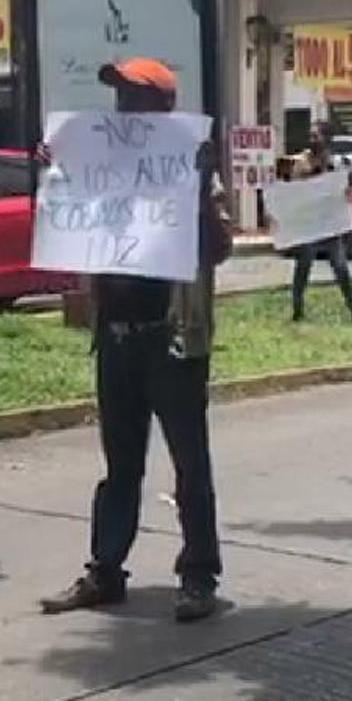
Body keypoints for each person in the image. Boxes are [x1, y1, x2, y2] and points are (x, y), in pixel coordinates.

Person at [39, 57, 234, 623]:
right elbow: (73, 226)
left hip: (171, 339)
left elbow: (219, 247)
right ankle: (106, 570)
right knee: (119, 464)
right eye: (120, 97)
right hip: (118, 337)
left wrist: (198, 187)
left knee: (188, 463)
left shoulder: (192, 166)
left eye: (136, 97)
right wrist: (58, 174)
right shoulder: (102, 162)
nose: (124, 108)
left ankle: (199, 575)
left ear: (163, 109)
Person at [285, 122, 352, 324]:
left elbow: (345, 189)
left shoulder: (336, 162)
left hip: (330, 227)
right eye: (311, 136)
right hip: (309, 225)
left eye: (316, 136)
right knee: (303, 268)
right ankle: (297, 310)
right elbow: (291, 188)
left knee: (341, 268)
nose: (312, 140)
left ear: (326, 139)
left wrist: (347, 194)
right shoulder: (300, 161)